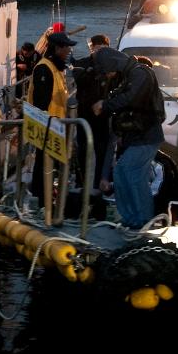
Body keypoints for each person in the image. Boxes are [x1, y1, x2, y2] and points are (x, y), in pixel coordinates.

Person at [92, 47, 166, 230]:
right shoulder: (128, 76)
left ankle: (143, 220)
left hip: (147, 135)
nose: (108, 74)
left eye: (107, 70)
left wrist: (106, 104)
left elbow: (131, 98)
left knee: (132, 173)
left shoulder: (141, 73)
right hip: (137, 136)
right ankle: (131, 219)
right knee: (121, 173)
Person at [27, 29, 76, 199]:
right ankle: (41, 197)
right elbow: (41, 102)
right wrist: (46, 125)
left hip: (56, 125)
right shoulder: (44, 68)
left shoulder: (57, 68)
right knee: (43, 162)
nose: (69, 51)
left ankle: (46, 193)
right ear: (57, 49)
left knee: (50, 163)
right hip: (46, 125)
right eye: (66, 48)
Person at [70, 34, 113, 217]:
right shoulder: (82, 63)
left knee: (103, 149)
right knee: (82, 149)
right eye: (96, 48)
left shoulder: (112, 66)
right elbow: (79, 78)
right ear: (91, 47)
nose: (99, 51)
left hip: (103, 115)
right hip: (85, 114)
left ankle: (99, 182)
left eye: (103, 48)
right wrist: (95, 69)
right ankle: (80, 182)